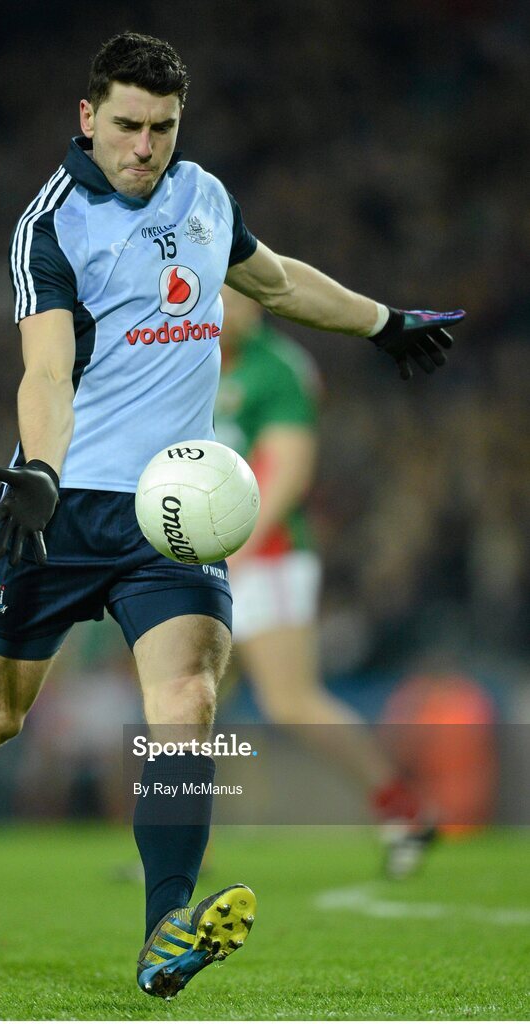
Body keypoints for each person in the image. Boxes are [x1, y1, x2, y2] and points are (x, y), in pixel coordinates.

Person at [0, 31, 464, 1000]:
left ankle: (164, 930)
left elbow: (273, 281)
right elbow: (47, 368)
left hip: (173, 513)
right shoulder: (50, 225)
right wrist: (43, 473)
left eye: (163, 128)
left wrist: (381, 321)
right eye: (129, 126)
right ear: (87, 117)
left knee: (184, 703)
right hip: (58, 509)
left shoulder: (202, 198)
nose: (145, 147)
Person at [216, 286, 435, 876]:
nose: (219, 310)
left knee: (291, 702)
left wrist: (240, 550)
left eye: (230, 298)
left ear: (254, 303)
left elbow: (289, 471)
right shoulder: (187, 359)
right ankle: (182, 852)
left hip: (269, 558)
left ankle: (402, 807)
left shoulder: (277, 369)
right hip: (208, 556)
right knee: (187, 705)